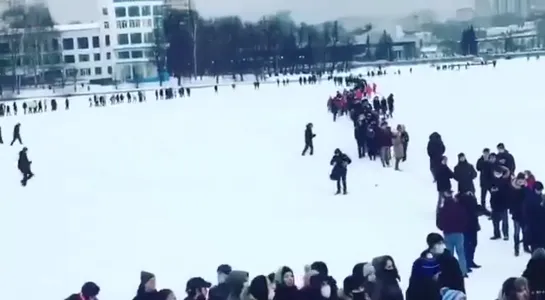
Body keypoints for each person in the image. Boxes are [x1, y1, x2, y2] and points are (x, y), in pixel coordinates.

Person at [436, 191, 468, 277]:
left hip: (448, 234)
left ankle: (450, 272)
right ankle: (463, 272)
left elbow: (438, 223)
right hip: (459, 233)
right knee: (461, 253)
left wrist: (443, 228)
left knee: (449, 255)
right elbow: (465, 219)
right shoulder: (459, 207)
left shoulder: (442, 210)